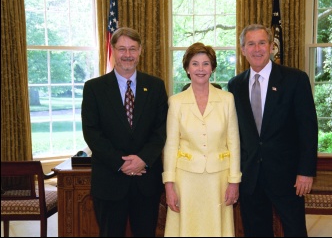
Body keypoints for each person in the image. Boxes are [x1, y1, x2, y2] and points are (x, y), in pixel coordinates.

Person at [228, 24, 318, 237]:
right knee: (255, 231)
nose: (257, 49)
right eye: (251, 44)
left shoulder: (295, 79)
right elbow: (235, 133)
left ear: (271, 46)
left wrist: (305, 171)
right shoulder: (235, 85)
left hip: (287, 176)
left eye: (262, 43)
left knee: (294, 230)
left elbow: (308, 128)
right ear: (242, 49)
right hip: (250, 176)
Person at [81, 27, 168, 237]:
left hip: (146, 181)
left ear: (140, 51)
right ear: (113, 50)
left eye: (132, 49)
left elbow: (162, 128)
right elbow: (92, 132)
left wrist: (142, 159)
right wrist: (122, 163)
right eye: (122, 49)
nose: (127, 54)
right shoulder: (94, 88)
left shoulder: (155, 86)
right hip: (109, 181)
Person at [162, 42, 242, 237]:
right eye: (195, 64)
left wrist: (234, 181)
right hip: (186, 180)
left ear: (212, 68)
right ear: (187, 68)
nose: (200, 69)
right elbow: (171, 146)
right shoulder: (176, 102)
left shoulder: (227, 99)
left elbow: (234, 142)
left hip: (219, 179)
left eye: (205, 64)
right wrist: (169, 184)